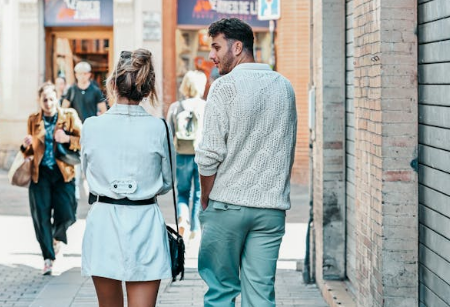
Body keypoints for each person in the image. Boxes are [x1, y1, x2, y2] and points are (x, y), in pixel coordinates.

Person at [195, 18, 297, 306]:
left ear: (237, 47)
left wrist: (206, 197)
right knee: (261, 295)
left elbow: (209, 154)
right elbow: (287, 147)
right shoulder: (285, 86)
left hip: (227, 206)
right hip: (270, 210)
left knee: (221, 292)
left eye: (216, 47)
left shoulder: (223, 87)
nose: (211, 56)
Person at [81, 49, 174, 307]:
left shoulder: (91, 126)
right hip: (144, 220)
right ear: (147, 89)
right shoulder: (159, 128)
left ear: (112, 84)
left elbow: (85, 172)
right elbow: (167, 182)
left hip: (104, 222)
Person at [21, 82, 81, 275]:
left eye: (51, 99)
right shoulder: (33, 120)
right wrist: (26, 146)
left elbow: (84, 139)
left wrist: (67, 139)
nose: (48, 103)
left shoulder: (69, 116)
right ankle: (48, 257)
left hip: (63, 173)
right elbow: (28, 152)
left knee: (68, 214)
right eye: (44, 99)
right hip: (40, 175)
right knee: (41, 217)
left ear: (57, 99)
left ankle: (57, 237)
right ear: (39, 101)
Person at [166, 70, 207, 240]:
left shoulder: (175, 107)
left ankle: (183, 220)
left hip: (181, 153)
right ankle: (196, 229)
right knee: (199, 192)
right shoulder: (206, 106)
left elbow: (168, 133)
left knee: (182, 192)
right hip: (202, 156)